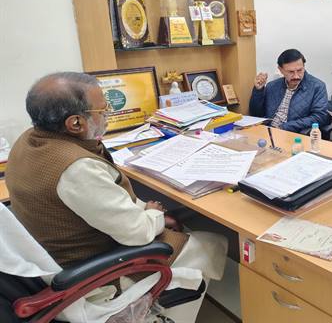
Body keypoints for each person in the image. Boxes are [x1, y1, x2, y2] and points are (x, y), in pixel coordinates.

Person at [6, 72, 227, 320]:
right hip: (93, 277)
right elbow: (138, 234)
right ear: (75, 123)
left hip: (51, 258)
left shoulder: (28, 140)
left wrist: (149, 215)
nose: (108, 114)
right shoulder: (76, 168)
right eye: (103, 110)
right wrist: (153, 214)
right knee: (211, 243)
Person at [250, 49, 329, 133]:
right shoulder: (272, 86)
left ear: (304, 66)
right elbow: (256, 114)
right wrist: (258, 90)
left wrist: (285, 127)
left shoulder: (317, 86)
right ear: (280, 70)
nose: (296, 76)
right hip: (267, 131)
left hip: (292, 133)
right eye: (291, 72)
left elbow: (320, 117)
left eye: (300, 70)